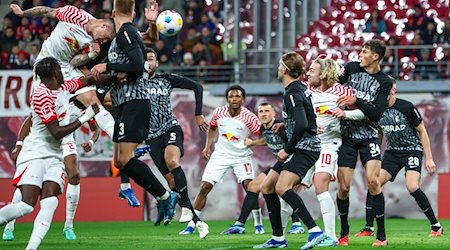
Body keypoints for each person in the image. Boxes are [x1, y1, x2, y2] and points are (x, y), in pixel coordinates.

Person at [9, 2, 119, 240]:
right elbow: (46, 12)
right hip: (46, 66)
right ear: (101, 24)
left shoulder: (94, 46)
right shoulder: (75, 15)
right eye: (105, 36)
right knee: (42, 114)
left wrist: (91, 57)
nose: (103, 41)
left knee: (92, 100)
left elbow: (75, 64)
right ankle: (9, 225)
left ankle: (119, 138)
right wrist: (22, 14)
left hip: (64, 70)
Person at [89, 0, 175, 231]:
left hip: (134, 103)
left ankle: (164, 196)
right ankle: (161, 195)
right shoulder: (128, 33)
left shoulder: (126, 32)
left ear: (114, 13)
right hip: (124, 104)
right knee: (119, 161)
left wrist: (106, 66)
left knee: (125, 160)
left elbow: (138, 64)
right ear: (134, 12)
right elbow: (149, 40)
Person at [0, 57, 101, 250]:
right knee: (27, 205)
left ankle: (32, 247)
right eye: (61, 70)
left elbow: (85, 81)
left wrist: (115, 73)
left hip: (55, 156)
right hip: (36, 153)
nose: (64, 73)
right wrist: (86, 117)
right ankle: (8, 226)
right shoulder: (41, 95)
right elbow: (56, 132)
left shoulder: (62, 88)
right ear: (55, 73)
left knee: (50, 201)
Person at [253, 52, 326, 250]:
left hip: (305, 147)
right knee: (267, 187)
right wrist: (285, 125)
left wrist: (287, 149)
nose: (278, 69)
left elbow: (302, 123)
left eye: (279, 66)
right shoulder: (299, 88)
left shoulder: (292, 92)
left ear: (285, 69)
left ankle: (314, 230)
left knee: (282, 188)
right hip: (302, 145)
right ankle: (278, 238)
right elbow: (305, 118)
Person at [354, 81, 443, 238]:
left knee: (412, 186)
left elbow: (422, 131)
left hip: (412, 151)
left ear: (393, 90)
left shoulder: (407, 107)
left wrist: (429, 159)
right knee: (373, 183)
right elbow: (381, 131)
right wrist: (376, 153)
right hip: (392, 153)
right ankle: (368, 227)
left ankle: (436, 226)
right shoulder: (377, 110)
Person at [136, 48, 210, 232]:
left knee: (172, 161)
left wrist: (198, 113)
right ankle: (193, 217)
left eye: (151, 59)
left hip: (170, 127)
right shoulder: (134, 83)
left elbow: (197, 86)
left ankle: (186, 209)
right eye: (145, 59)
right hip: (151, 136)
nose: (148, 62)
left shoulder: (166, 79)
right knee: (170, 182)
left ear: (157, 63)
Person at [298, 56, 366, 247]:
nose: (308, 72)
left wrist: (345, 113)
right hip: (308, 144)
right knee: (286, 185)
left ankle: (330, 235)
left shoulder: (341, 91)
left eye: (313, 69)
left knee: (320, 183)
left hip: (329, 144)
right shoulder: (306, 90)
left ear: (324, 73)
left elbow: (363, 112)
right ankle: (281, 234)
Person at [179, 85, 263, 236]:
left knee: (250, 187)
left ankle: (258, 223)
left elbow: (264, 135)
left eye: (237, 96)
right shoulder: (219, 112)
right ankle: (193, 224)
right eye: (231, 96)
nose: (234, 99)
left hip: (241, 156)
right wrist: (207, 146)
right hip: (221, 155)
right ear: (227, 99)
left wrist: (254, 143)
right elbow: (212, 128)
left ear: (243, 99)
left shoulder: (250, 117)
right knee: (205, 187)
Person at [335, 39, 392, 247]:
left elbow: (376, 114)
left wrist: (355, 101)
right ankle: (344, 232)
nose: (360, 54)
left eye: (364, 51)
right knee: (343, 187)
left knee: (374, 182)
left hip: (369, 136)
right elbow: (333, 86)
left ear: (375, 57)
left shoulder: (385, 81)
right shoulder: (350, 69)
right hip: (346, 137)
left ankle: (381, 236)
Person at [221, 102, 306, 236]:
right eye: (261, 111)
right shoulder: (263, 128)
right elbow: (266, 139)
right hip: (281, 164)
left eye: (267, 111)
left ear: (274, 114)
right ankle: (240, 225)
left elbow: (296, 141)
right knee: (254, 186)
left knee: (284, 191)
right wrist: (253, 143)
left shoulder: (281, 127)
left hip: (294, 164)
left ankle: (297, 224)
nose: (264, 114)